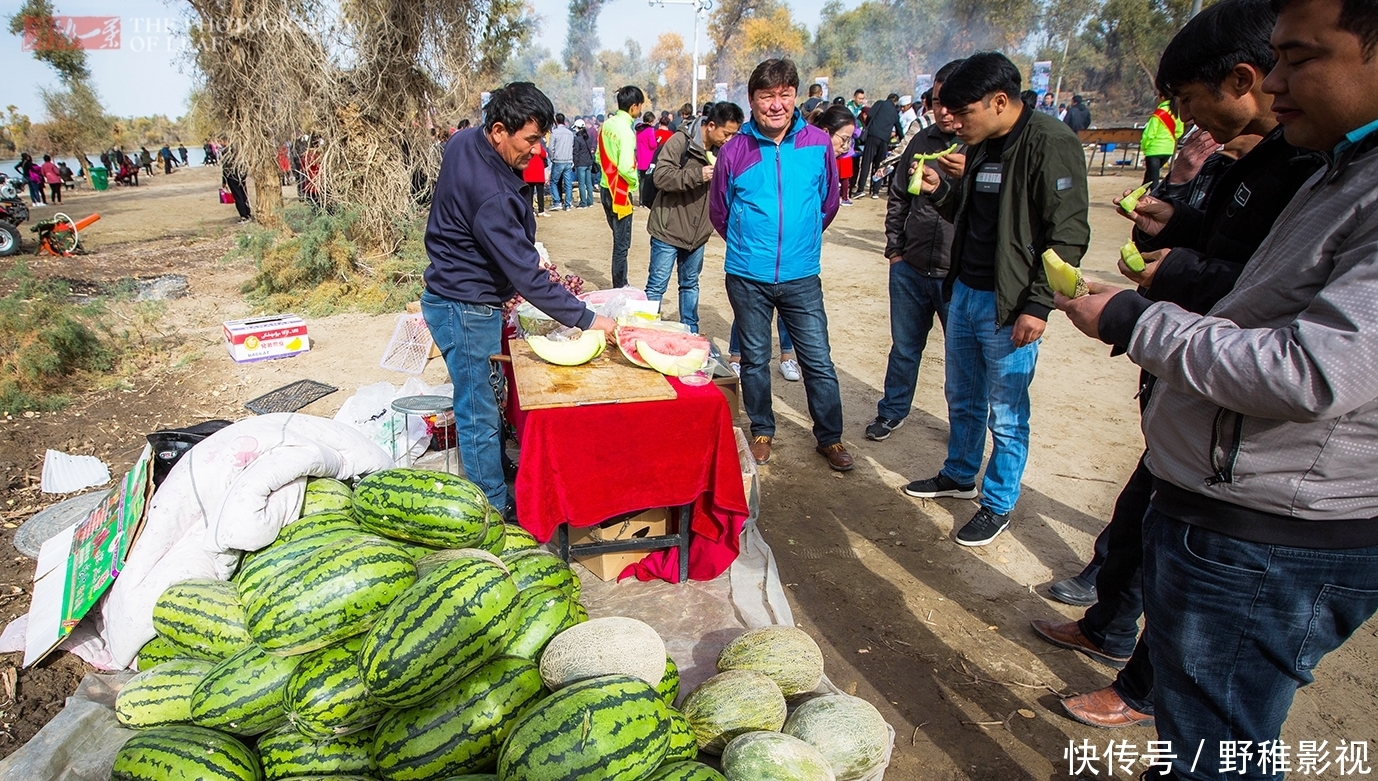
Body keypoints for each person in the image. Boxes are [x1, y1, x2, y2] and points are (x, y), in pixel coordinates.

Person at [1056, 0, 1378, 775]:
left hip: (1273, 537)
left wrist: (1137, 321)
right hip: (1232, 507)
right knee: (1199, 730)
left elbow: (1313, 368)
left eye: (1299, 57)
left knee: (1216, 747)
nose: (1273, 80)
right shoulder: (1340, 166)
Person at [905, 52, 1090, 547]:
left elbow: (1067, 235)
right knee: (961, 395)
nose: (954, 123)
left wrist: (1038, 304)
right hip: (965, 290)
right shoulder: (983, 144)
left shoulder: (1050, 144)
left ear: (1000, 101)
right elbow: (974, 213)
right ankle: (960, 473)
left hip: (1009, 304)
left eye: (963, 114)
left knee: (1006, 411)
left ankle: (998, 502)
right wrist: (941, 191)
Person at [423, 82, 618, 518]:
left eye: (541, 139)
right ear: (498, 130)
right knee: (477, 411)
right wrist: (589, 320)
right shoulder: (490, 194)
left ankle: (492, 469)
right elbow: (528, 277)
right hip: (464, 305)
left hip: (460, 294)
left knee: (487, 399)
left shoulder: (463, 142)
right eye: (530, 140)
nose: (538, 150)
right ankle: (490, 510)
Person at [710, 58, 850, 472]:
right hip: (747, 276)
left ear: (796, 96)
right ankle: (762, 429)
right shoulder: (735, 149)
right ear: (751, 101)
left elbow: (828, 203)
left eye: (785, 94)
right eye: (766, 96)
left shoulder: (818, 144)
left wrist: (801, 243)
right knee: (754, 358)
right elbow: (720, 211)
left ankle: (831, 437)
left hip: (801, 274)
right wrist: (750, 244)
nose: (776, 104)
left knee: (817, 359)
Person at [868, 59, 965, 442]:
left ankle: (962, 429)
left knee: (961, 361)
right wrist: (895, 250)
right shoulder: (921, 142)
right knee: (905, 348)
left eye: (951, 101)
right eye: (936, 100)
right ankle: (892, 411)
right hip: (910, 267)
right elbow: (897, 198)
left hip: (956, 275)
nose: (942, 109)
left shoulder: (977, 149)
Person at [645, 101, 745, 332]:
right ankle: (645, 331)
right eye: (726, 134)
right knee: (656, 287)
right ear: (711, 125)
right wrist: (698, 174)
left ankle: (691, 331)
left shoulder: (723, 151)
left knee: (690, 285)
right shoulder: (680, 141)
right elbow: (661, 177)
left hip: (698, 234)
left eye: (734, 135)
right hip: (667, 230)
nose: (729, 140)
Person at [600, 86, 644, 288]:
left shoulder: (606, 125)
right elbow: (627, 166)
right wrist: (634, 183)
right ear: (634, 106)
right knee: (622, 243)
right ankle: (620, 285)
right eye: (640, 105)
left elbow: (598, 156)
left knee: (618, 239)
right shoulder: (626, 132)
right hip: (620, 191)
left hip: (604, 186)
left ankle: (620, 281)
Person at [855, 92, 904, 199]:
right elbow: (898, 127)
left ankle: (861, 189)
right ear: (895, 102)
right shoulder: (895, 112)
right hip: (885, 139)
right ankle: (876, 192)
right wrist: (903, 139)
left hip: (873, 135)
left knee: (866, 163)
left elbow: (870, 115)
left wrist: (868, 125)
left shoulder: (880, 103)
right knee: (880, 165)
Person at [1139, 97, 1183, 186]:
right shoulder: (1176, 112)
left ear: (1162, 97)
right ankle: (1139, 195)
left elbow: (1149, 134)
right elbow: (1179, 131)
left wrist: (1144, 147)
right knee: (1150, 175)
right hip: (1168, 149)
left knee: (1153, 179)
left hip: (1154, 150)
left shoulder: (1159, 113)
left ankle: (1153, 197)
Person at [548, 113, 575, 211]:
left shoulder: (555, 133)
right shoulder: (570, 133)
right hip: (568, 160)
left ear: (556, 121)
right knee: (568, 183)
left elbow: (551, 148)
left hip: (558, 160)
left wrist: (552, 157)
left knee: (553, 182)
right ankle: (568, 204)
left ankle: (557, 202)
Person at [221, 145, 252, 222]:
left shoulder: (226, 152)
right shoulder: (238, 151)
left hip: (232, 177)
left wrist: (224, 181)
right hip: (240, 176)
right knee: (244, 194)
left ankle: (244, 216)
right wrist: (244, 176)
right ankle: (248, 213)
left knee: (238, 197)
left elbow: (225, 168)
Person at [522, 137, 549, 216]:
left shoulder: (526, 146)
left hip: (529, 171)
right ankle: (541, 210)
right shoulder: (538, 146)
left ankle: (531, 210)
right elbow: (544, 155)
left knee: (530, 193)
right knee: (540, 192)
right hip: (538, 172)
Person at [572, 119, 596, 208]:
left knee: (581, 184)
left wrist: (575, 163)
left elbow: (576, 153)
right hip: (589, 163)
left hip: (581, 164)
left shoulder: (577, 139)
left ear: (578, 128)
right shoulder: (588, 138)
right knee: (589, 183)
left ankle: (583, 203)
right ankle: (590, 202)